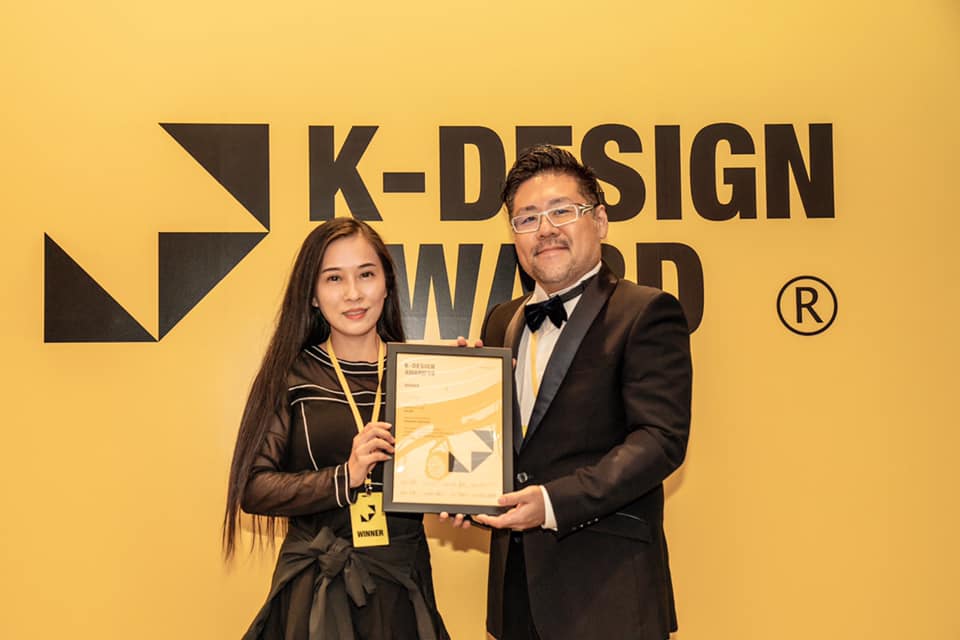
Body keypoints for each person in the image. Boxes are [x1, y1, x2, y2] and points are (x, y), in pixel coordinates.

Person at [468, 145, 693, 640]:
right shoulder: (502, 321)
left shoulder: (645, 312)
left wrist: (552, 501)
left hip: (608, 595)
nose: (544, 229)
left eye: (561, 211)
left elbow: (660, 440)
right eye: (527, 218)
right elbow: (503, 448)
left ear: (601, 221)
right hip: (515, 599)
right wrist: (464, 486)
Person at [223, 218, 449, 640]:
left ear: (387, 284)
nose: (353, 293)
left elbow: (456, 471)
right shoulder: (290, 375)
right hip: (317, 589)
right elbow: (252, 488)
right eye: (333, 278)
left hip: (401, 586)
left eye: (366, 274)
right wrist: (345, 477)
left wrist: (473, 382)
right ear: (312, 294)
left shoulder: (427, 372)